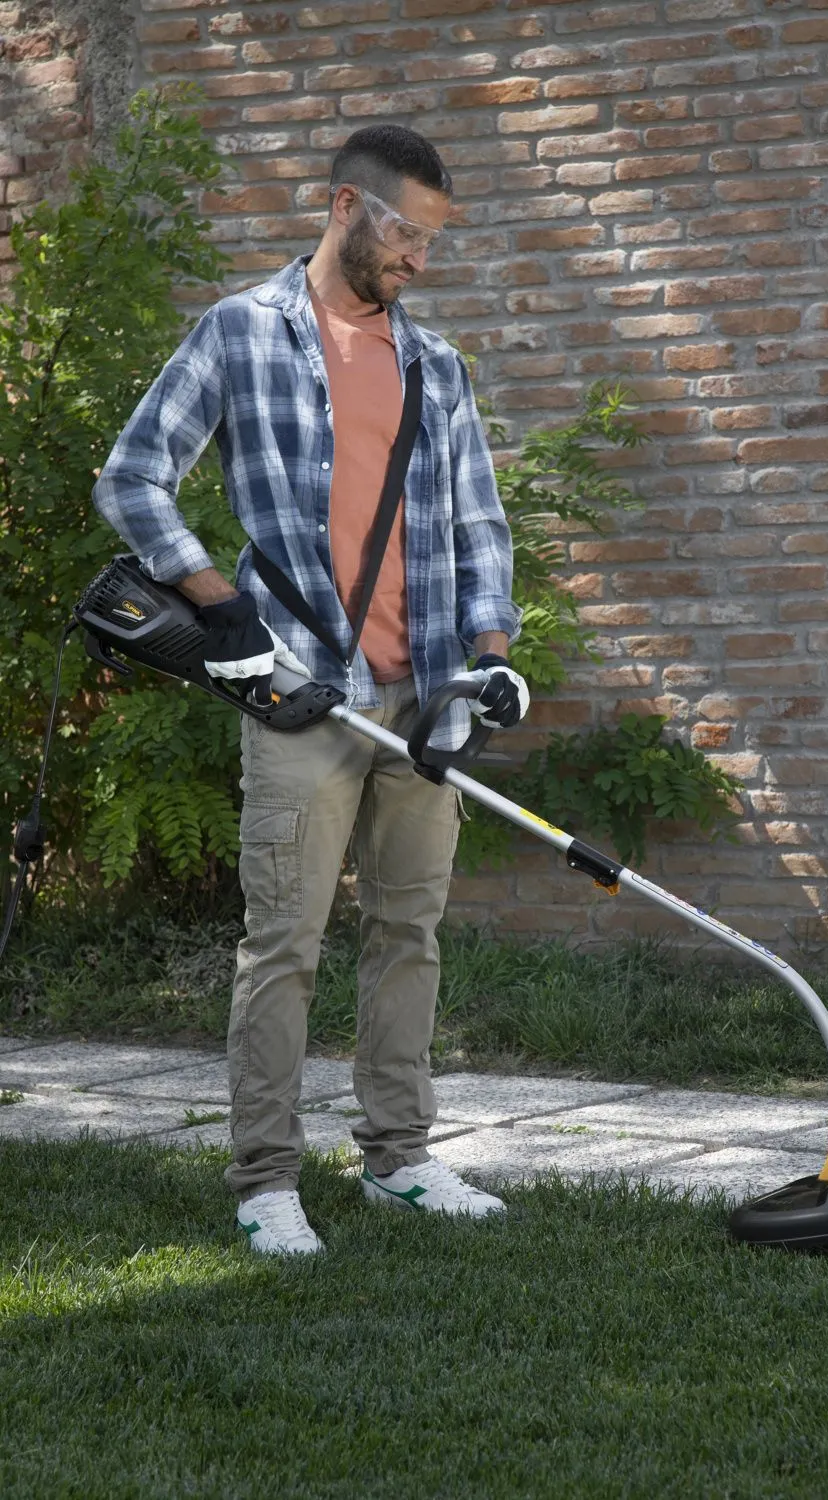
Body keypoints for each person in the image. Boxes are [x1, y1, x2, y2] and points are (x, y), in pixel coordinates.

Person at [93, 123, 529, 1255]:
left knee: (408, 933)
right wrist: (217, 605)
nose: (419, 259)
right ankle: (265, 1180)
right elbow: (133, 476)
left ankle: (400, 1159)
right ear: (344, 207)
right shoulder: (242, 331)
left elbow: (479, 525)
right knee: (283, 944)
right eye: (407, 233)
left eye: (433, 242)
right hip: (297, 693)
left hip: (424, 697)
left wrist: (490, 657)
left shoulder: (436, 365)